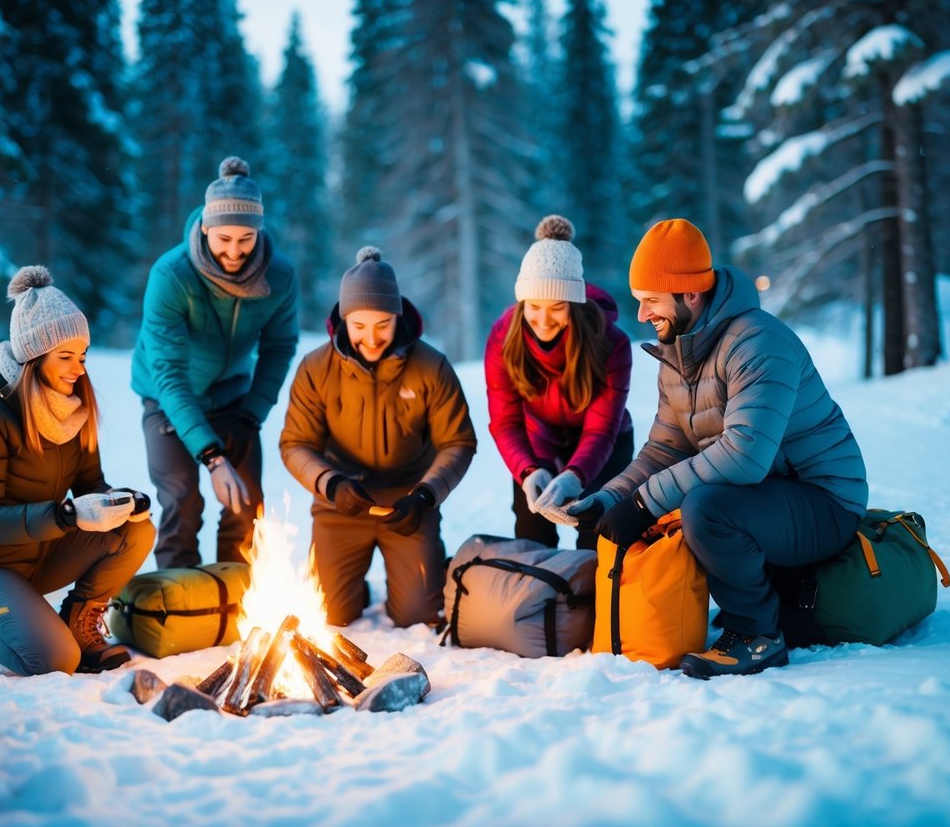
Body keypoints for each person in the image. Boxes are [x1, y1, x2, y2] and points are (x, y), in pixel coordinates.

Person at [550, 219, 868, 679]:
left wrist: (644, 503)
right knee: (692, 501)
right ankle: (758, 609)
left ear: (690, 295)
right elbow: (663, 450)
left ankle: (757, 635)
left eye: (651, 301)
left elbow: (744, 455)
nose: (642, 315)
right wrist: (609, 499)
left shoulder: (760, 342)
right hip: (767, 497)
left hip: (823, 501)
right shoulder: (679, 352)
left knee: (704, 507)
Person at [0, 266, 155, 677]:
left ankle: (79, 625)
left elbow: (90, 485)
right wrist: (68, 515)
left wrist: (118, 501)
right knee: (53, 661)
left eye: (81, 356)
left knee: (136, 531)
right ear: (33, 356)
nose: (78, 369)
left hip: (37, 554)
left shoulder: (73, 413)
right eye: (65, 356)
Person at [280, 247, 477, 627]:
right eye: (360, 326)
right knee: (329, 614)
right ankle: (354, 585)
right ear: (343, 320)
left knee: (419, 615)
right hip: (341, 503)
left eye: (382, 325)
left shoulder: (431, 366)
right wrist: (331, 484)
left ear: (397, 317)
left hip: (408, 503)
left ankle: (420, 573)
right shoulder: (316, 368)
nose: (371, 338)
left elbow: (458, 442)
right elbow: (295, 444)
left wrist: (425, 496)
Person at [132, 157, 299, 569]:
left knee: (246, 501)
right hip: (166, 397)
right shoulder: (171, 276)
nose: (235, 251)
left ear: (258, 232)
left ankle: (236, 598)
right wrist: (213, 457)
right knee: (181, 498)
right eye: (224, 238)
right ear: (206, 228)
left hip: (232, 399)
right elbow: (167, 372)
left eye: (245, 239)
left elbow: (278, 350)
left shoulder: (279, 277)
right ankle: (177, 602)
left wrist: (250, 419)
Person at [485, 215, 634, 550]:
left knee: (597, 537)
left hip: (604, 447)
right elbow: (505, 421)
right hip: (537, 446)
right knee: (532, 535)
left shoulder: (611, 344)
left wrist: (576, 476)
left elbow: (601, 429)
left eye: (556, 307)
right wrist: (526, 471)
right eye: (533, 307)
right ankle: (545, 602)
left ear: (575, 304)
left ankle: (594, 602)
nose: (543, 319)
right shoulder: (503, 337)